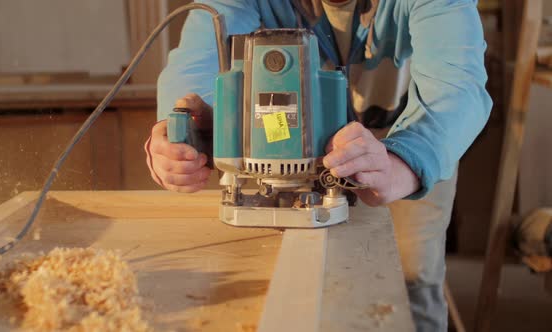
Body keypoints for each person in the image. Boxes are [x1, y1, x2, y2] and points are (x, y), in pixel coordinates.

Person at [145, 1, 492, 331]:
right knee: (282, 281)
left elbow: (456, 87)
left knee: (410, 278)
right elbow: (198, 58)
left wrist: (405, 162)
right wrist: (183, 133)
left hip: (408, 135)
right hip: (293, 135)